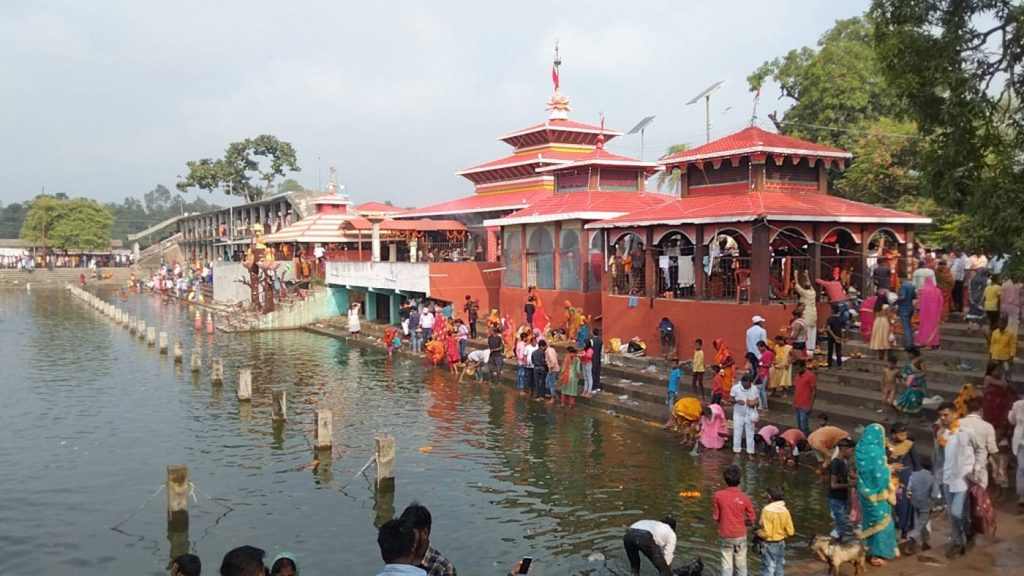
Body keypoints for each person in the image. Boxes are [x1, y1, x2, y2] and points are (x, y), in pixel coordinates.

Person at [856, 423, 898, 566]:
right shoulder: (876, 451)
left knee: (870, 521)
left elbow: (866, 471)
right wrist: (889, 470)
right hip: (879, 492)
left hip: (865, 492)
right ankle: (878, 555)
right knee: (882, 522)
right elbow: (879, 474)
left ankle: (869, 549)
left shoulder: (860, 448)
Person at [937, 402, 975, 559]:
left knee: (957, 512)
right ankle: (959, 541)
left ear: (954, 414)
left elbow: (979, 450)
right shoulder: (942, 434)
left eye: (945, 415)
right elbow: (940, 458)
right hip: (947, 479)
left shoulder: (966, 431)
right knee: (954, 514)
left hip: (962, 479)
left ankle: (965, 533)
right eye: (940, 415)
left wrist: (974, 470)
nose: (942, 418)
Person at [713, 464, 756, 576]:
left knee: (726, 564)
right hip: (740, 535)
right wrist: (744, 523)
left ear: (725, 479)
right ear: (739, 480)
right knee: (741, 564)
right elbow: (752, 519)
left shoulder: (718, 495)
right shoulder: (745, 497)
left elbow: (716, 517)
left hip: (725, 534)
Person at [400, 502, 457, 576]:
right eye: (404, 533)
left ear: (425, 533)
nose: (406, 538)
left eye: (411, 534)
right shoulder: (396, 560)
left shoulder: (443, 568)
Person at [958, 395, 998, 489]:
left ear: (967, 410)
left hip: (960, 464)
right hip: (979, 467)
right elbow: (992, 450)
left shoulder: (957, 423)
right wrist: (996, 465)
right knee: (979, 493)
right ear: (981, 410)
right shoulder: (987, 426)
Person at [888, 422, 919, 540]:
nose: (904, 436)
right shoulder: (886, 445)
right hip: (890, 479)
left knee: (904, 505)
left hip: (905, 481)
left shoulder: (909, 445)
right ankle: (892, 529)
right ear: (893, 434)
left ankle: (904, 530)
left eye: (905, 434)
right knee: (891, 505)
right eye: (901, 434)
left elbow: (917, 465)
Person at [905, 455, 941, 554]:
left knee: (921, 522)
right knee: (921, 524)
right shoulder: (932, 478)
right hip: (925, 504)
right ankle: (911, 538)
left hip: (914, 502)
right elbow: (935, 494)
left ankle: (925, 542)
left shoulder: (913, 475)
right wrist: (934, 503)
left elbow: (909, 489)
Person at [757, 486, 794, 576]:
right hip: (781, 542)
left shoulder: (766, 510)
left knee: (768, 568)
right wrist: (781, 534)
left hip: (769, 543)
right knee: (779, 567)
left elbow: (767, 533)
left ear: (770, 497)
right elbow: (791, 532)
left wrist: (757, 532)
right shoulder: (785, 511)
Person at [827, 438, 856, 542]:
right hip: (835, 498)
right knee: (841, 524)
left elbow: (849, 475)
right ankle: (830, 544)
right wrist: (850, 485)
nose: (852, 453)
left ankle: (838, 544)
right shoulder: (836, 463)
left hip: (843, 497)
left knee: (841, 524)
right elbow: (833, 485)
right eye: (851, 450)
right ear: (844, 449)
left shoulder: (845, 462)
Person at [731, 374, 760, 455]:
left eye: (749, 384)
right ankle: (736, 450)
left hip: (750, 413)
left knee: (750, 433)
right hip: (738, 413)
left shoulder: (754, 388)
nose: (748, 386)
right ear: (742, 382)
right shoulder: (735, 388)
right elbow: (730, 399)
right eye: (746, 385)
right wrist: (737, 401)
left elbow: (757, 400)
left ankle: (750, 451)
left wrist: (753, 403)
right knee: (737, 432)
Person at [794, 270, 818, 354]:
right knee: (812, 331)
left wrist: (795, 275)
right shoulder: (813, 292)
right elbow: (810, 285)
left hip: (807, 313)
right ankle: (812, 348)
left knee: (806, 332)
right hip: (813, 314)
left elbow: (797, 285)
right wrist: (807, 275)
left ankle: (808, 349)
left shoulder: (804, 293)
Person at [915, 276, 943, 349]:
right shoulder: (937, 290)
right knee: (933, 327)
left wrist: (918, 309)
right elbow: (941, 301)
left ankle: (924, 342)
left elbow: (919, 302)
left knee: (924, 327)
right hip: (934, 313)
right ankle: (934, 343)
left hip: (924, 313)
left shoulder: (922, 291)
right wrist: (939, 310)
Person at [1008, 395, 1024, 510]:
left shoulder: (1018, 404)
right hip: (1021, 443)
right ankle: (1022, 496)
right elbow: (1012, 420)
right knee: (1022, 468)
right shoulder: (1017, 404)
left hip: (1020, 442)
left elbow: (1012, 420)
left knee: (1022, 468)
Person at [791, 360, 815, 435]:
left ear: (803, 367)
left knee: (804, 425)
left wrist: (810, 405)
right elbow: (796, 389)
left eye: (798, 368)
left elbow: (814, 391)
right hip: (797, 403)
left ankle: (806, 438)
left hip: (805, 404)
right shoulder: (797, 375)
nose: (797, 370)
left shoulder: (810, 376)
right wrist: (794, 402)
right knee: (799, 424)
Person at [896, 278, 917, 349]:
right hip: (910, 308)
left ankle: (909, 344)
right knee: (909, 326)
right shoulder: (912, 286)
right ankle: (911, 342)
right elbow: (914, 296)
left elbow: (903, 297)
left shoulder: (903, 286)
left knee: (906, 327)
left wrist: (896, 301)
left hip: (904, 308)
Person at [590, 328, 603, 392]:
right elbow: (601, 350)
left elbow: (589, 350)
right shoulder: (600, 340)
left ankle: (593, 387)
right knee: (597, 372)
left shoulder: (591, 341)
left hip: (592, 358)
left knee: (593, 373)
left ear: (593, 333)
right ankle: (597, 386)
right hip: (598, 358)